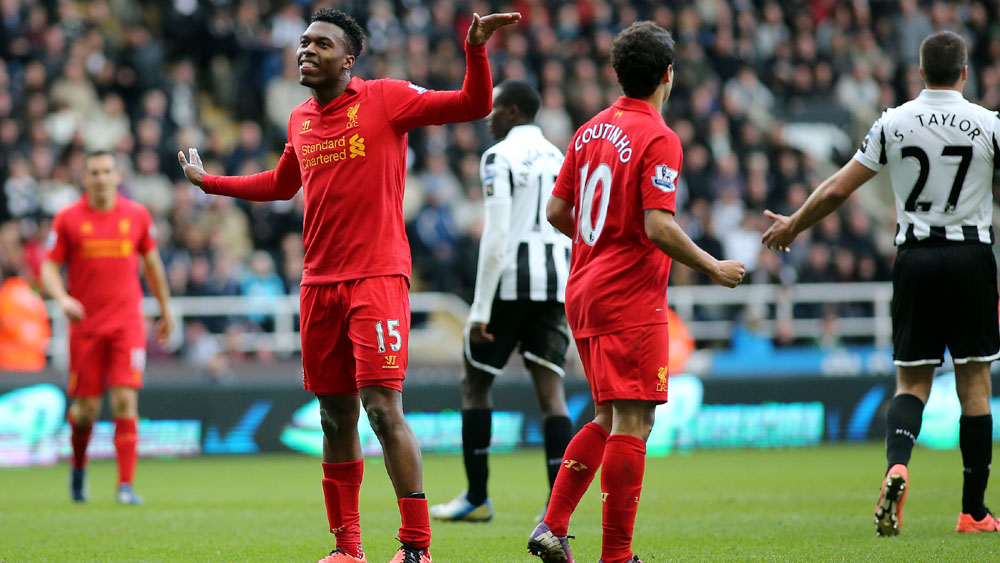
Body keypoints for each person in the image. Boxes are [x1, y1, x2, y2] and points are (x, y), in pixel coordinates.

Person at [178, 9, 520, 563]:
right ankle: (347, 549)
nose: (305, 51)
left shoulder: (386, 98)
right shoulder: (299, 120)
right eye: (302, 43)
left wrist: (475, 50)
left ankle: (415, 547)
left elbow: (473, 104)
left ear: (348, 59)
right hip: (319, 284)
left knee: (383, 408)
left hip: (377, 277)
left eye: (320, 44)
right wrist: (209, 183)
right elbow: (281, 184)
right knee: (334, 415)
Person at [761, 30, 1000, 536]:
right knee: (974, 385)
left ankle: (898, 466)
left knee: (912, 381)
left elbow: (837, 188)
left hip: (914, 258)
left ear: (918, 72)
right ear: (964, 73)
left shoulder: (893, 123)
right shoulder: (988, 124)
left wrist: (793, 225)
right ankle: (973, 512)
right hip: (972, 257)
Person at [528, 22, 745, 563]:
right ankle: (617, 556)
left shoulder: (588, 131)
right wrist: (712, 265)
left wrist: (596, 240)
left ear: (617, 73)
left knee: (606, 415)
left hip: (584, 289)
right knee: (635, 421)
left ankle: (552, 526)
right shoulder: (660, 137)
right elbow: (657, 225)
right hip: (629, 295)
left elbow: (557, 212)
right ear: (667, 76)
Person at [429, 80, 572, 523]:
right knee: (552, 392)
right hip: (555, 283)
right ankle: (556, 507)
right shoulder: (560, 157)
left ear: (511, 111)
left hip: (510, 282)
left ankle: (476, 497)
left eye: (494, 110)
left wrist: (478, 309)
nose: (488, 118)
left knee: (475, 383)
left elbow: (496, 236)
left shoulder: (498, 157)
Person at [40, 150, 174, 505]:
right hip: (85, 326)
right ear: (84, 178)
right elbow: (49, 268)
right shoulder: (68, 219)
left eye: (106, 171)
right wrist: (62, 299)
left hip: (126, 323)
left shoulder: (137, 215)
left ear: (118, 176)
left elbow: (152, 265)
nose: (101, 178)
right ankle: (79, 468)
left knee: (125, 401)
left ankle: (125, 486)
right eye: (94, 172)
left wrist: (165, 309)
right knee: (85, 410)